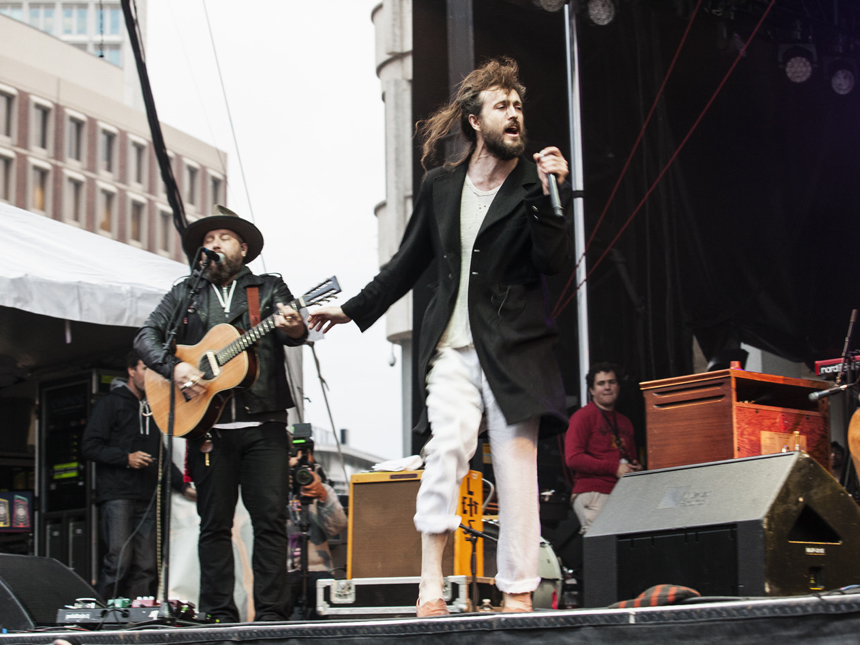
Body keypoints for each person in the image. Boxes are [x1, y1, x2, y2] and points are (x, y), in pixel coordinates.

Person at [308, 57, 571, 617]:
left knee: (515, 467)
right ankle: (431, 585)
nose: (515, 115)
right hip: (452, 348)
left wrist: (554, 197)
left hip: (515, 350)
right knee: (445, 451)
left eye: (518, 106)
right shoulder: (441, 185)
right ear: (476, 120)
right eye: (502, 106)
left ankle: (517, 592)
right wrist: (352, 310)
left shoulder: (534, 183)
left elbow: (552, 262)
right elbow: (406, 264)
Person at [134, 205, 308, 622]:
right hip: (208, 427)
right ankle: (218, 614)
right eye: (207, 242)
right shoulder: (184, 294)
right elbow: (146, 336)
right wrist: (175, 368)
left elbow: (295, 333)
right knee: (212, 524)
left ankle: (271, 616)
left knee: (269, 521)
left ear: (243, 249)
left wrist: (293, 324)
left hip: (264, 423)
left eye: (222, 239)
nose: (212, 246)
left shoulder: (267, 288)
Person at [81, 350, 194, 600]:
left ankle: (137, 623)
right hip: (117, 494)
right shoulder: (110, 404)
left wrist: (182, 485)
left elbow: (160, 453)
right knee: (119, 560)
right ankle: (103, 619)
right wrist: (126, 458)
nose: (150, 375)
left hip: (147, 496)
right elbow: (89, 446)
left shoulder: (154, 407)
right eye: (145, 369)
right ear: (131, 371)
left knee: (147, 565)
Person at [564, 362, 641, 533]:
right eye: (601, 383)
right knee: (602, 550)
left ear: (618, 387)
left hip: (622, 494)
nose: (607, 387)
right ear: (591, 390)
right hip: (594, 492)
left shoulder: (625, 422)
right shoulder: (582, 417)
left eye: (612, 382)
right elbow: (573, 458)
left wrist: (634, 467)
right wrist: (615, 468)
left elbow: (629, 457)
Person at [287, 447, 347, 620]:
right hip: (284, 571)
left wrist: (323, 497)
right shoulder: (271, 490)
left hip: (318, 569)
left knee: (326, 594)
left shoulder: (323, 490)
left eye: (305, 462)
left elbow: (337, 527)